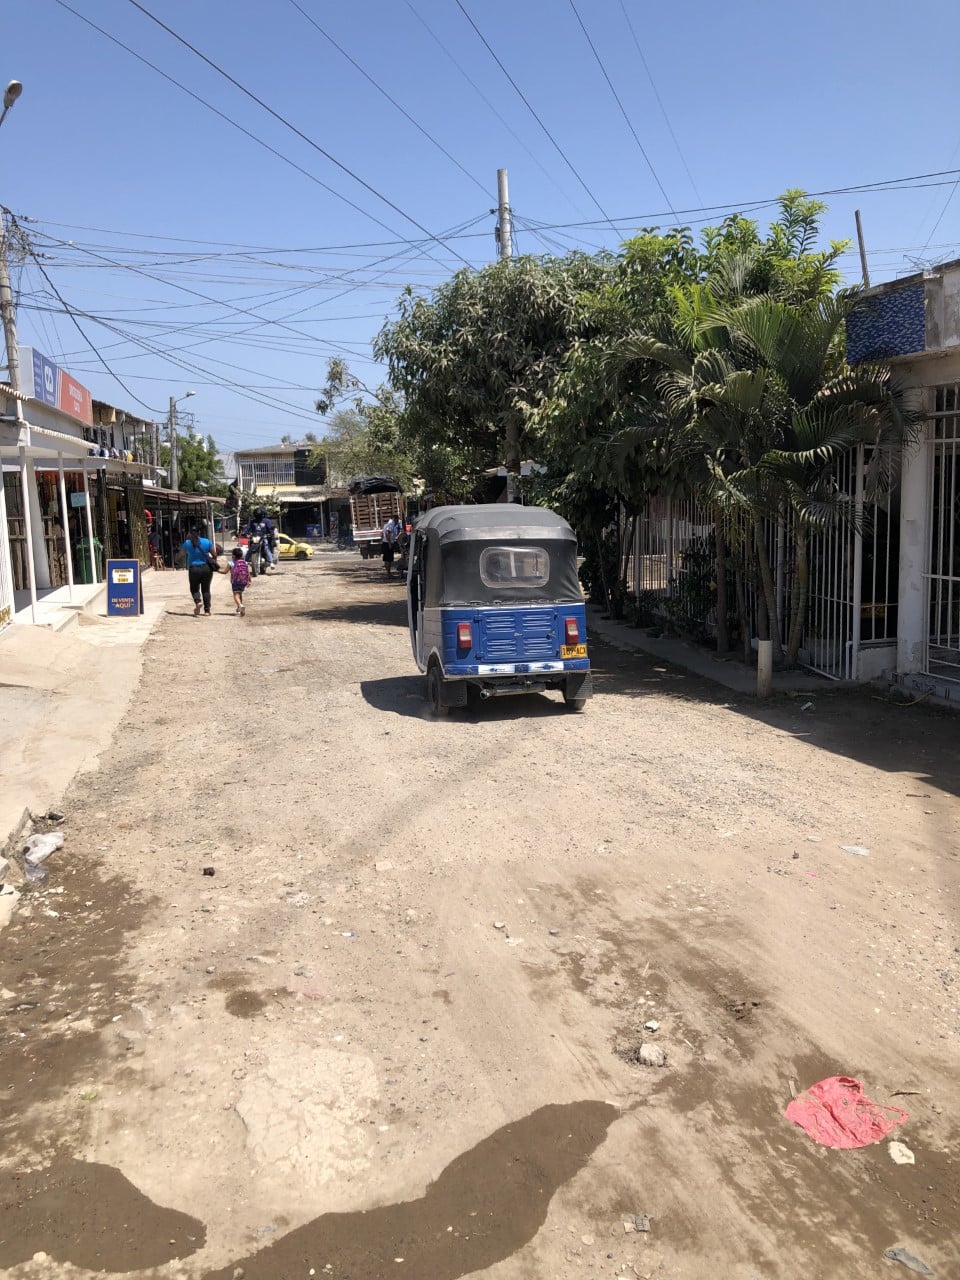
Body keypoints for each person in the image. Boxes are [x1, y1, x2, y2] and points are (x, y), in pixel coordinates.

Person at [182, 526, 217, 616]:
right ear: (199, 532)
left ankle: (198, 602)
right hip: (206, 568)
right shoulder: (206, 541)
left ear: (190, 533)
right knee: (206, 589)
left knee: (194, 588)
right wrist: (212, 561)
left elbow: (181, 554)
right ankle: (207, 610)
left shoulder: (187, 543)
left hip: (194, 569)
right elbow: (214, 554)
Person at [229, 546, 251, 616]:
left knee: (236, 595)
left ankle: (240, 605)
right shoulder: (245, 562)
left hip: (235, 581)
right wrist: (249, 580)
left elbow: (224, 571)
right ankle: (239, 609)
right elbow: (248, 572)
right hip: (243, 581)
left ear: (233, 555)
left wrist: (217, 569)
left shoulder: (231, 563)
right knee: (240, 594)